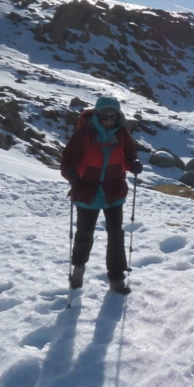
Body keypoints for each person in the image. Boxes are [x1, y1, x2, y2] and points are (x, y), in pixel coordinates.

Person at [60, 96, 143, 294]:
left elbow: (130, 157)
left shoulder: (122, 134)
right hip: (87, 190)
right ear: (97, 115)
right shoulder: (84, 134)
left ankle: (116, 277)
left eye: (113, 116)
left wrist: (134, 165)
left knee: (116, 234)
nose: (108, 120)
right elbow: (66, 161)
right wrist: (69, 173)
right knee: (84, 233)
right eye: (105, 116)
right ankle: (78, 268)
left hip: (113, 191)